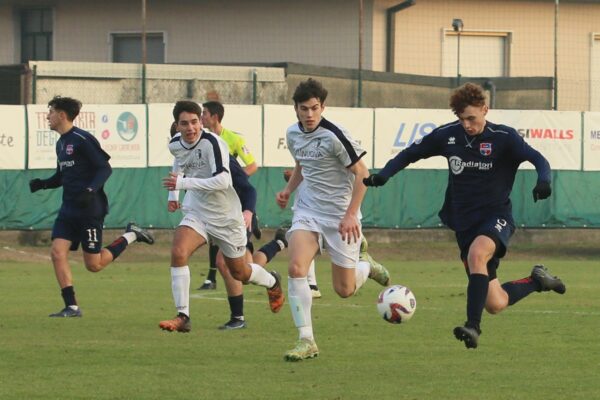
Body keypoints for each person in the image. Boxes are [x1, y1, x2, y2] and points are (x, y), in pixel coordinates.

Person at [363, 82, 566, 349]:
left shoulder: (504, 137)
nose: (467, 124)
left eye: (472, 118)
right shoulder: (448, 136)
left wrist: (544, 180)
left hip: (496, 216)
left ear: (485, 109)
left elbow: (538, 159)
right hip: (464, 224)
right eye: (462, 119)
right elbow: (410, 154)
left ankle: (473, 326)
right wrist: (383, 175)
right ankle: (537, 280)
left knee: (477, 254)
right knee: (496, 302)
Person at [276, 78, 390, 361]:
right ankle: (306, 340)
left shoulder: (334, 136)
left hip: (340, 217)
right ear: (297, 110)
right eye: (305, 109)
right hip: (308, 211)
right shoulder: (293, 134)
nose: (310, 114)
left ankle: (367, 267)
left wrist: (352, 214)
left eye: (315, 108)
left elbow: (364, 174)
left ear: (322, 107)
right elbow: (303, 163)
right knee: (296, 267)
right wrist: (289, 190)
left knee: (344, 290)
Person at [160, 100, 284, 333]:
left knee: (240, 272)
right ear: (177, 125)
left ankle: (271, 281)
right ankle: (183, 316)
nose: (191, 128)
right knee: (178, 251)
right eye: (184, 123)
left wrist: (183, 182)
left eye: (195, 122)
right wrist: (173, 195)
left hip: (226, 216)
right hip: (197, 211)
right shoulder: (175, 143)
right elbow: (179, 162)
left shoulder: (213, 143)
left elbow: (224, 181)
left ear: (201, 122)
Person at [28, 95, 155, 318]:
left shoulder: (82, 139)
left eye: (50, 112)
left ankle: (131, 235)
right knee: (57, 253)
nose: (47, 117)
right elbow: (62, 176)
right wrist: (43, 184)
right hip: (68, 210)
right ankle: (72, 306)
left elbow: (104, 169)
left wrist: (89, 191)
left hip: (89, 210)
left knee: (93, 265)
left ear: (61, 115)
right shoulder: (61, 143)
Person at [197, 100, 261, 290]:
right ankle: (211, 277)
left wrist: (231, 180)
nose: (202, 117)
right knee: (213, 233)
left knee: (235, 255)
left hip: (236, 198)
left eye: (205, 113)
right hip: (216, 198)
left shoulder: (233, 139)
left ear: (214, 117)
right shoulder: (203, 140)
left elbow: (252, 165)